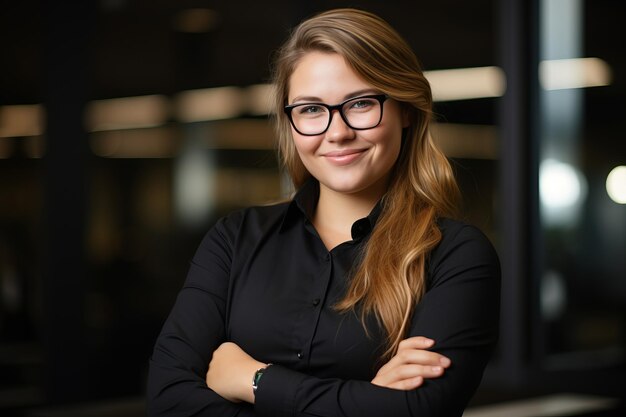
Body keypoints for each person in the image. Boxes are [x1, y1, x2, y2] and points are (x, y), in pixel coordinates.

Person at [147, 8, 500, 417]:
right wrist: (365, 398)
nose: (337, 132)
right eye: (312, 109)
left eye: (361, 103)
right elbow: (168, 398)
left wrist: (253, 379)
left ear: (405, 109)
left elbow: (418, 411)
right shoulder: (234, 239)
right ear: (291, 123)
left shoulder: (455, 255)